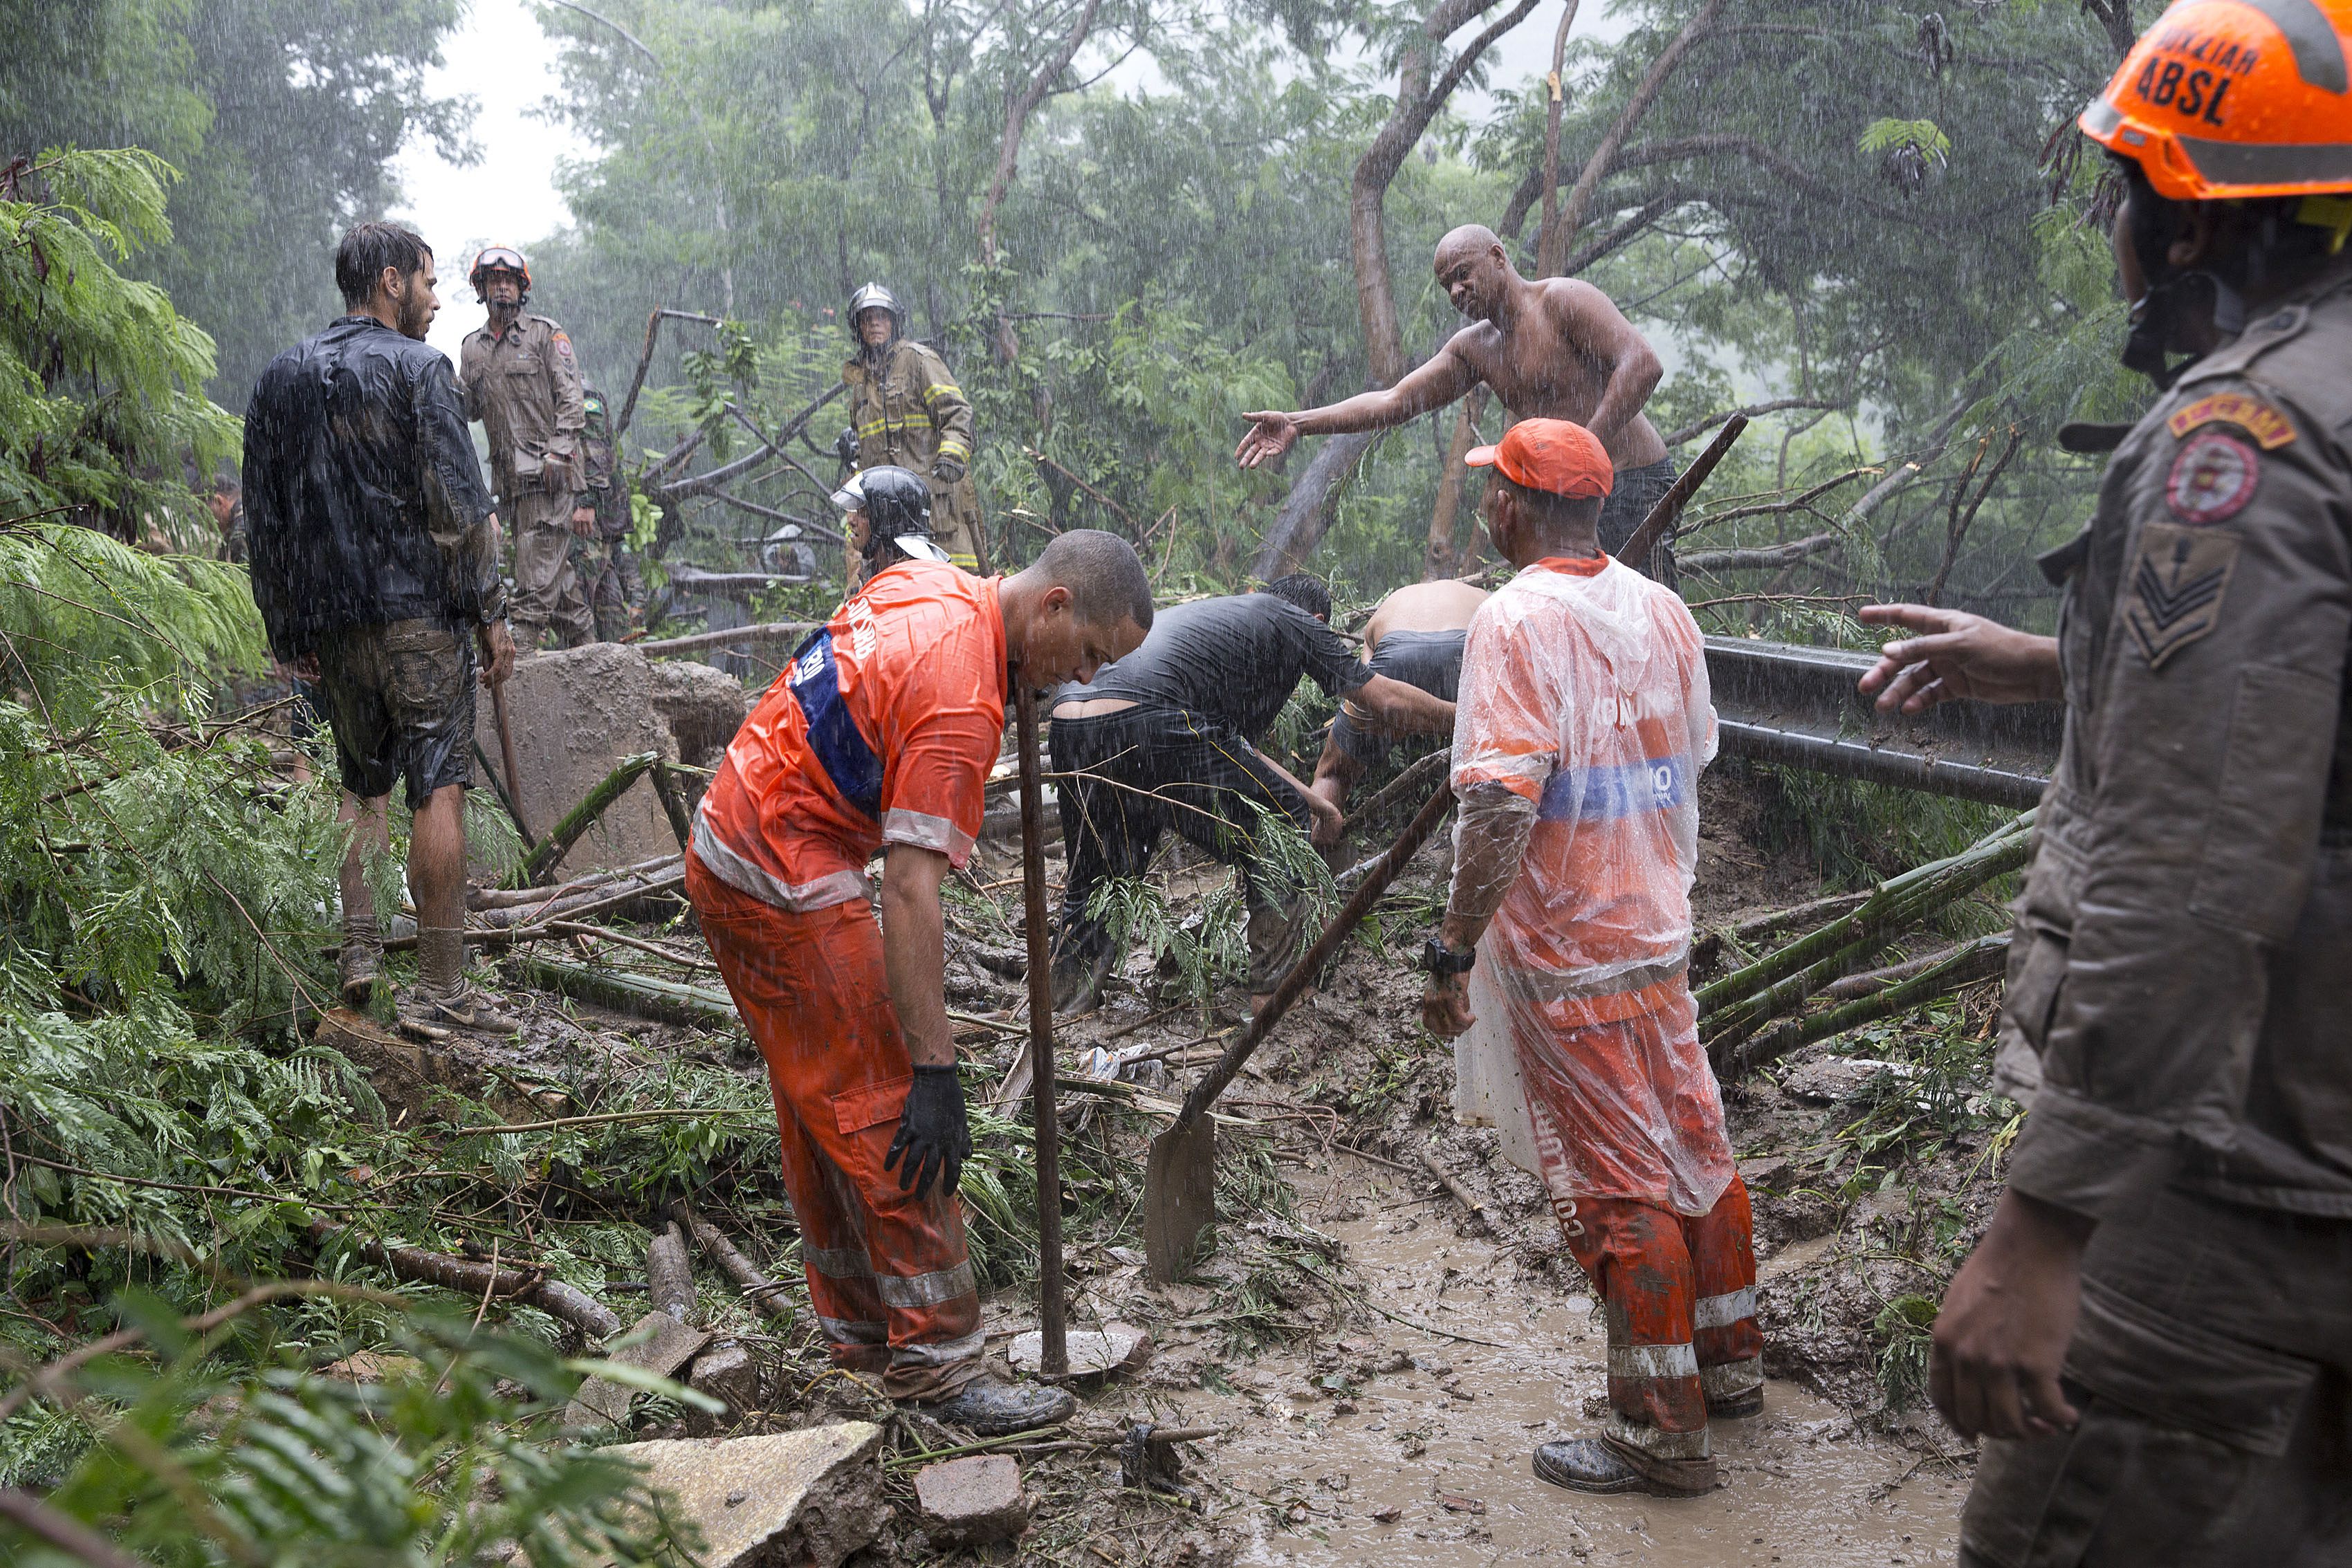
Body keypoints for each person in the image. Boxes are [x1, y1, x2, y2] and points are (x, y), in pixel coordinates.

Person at [1853, 5, 2352, 1558]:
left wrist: (2047, 1214)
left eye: (2127, 191)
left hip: (2231, 1187)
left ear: (2193, 213)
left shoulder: (2248, 439)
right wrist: (2059, 656)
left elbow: (2194, 860)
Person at [685, 528, 1152, 1433]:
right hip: (779, 866)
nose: (1088, 678)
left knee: (824, 1107)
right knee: (887, 1105)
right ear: (1053, 605)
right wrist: (935, 1072)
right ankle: (938, 1366)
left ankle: (860, 1343)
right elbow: (909, 887)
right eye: (1090, 654)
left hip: (735, 831)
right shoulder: (961, 700)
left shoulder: (931, 585)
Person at [1420, 418, 1756, 1498]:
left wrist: (1453, 945)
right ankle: (1729, 1364)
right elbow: (1690, 761)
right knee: (1695, 1142)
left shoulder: (1512, 620)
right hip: (1655, 927)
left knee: (1620, 1183)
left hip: (1567, 948)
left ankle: (1662, 1428)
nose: (1487, 507)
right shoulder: (1661, 609)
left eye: (1492, 489)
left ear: (1515, 504)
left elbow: (1501, 804)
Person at [243, 221, 519, 1033]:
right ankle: (441, 991)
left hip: (330, 624)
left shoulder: (278, 378)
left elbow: (267, 518)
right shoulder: (422, 369)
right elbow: (462, 510)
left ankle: (358, 949)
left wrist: (287, 625)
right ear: (392, 281)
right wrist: (490, 614)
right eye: (430, 283)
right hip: (417, 619)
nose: (437, 300)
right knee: (437, 784)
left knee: (360, 786)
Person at [1048, 575, 1455, 1011]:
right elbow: (1386, 701)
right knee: (1276, 828)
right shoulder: (1293, 619)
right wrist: (1471, 718)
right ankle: (1274, 992)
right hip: (1154, 718)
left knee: (1100, 875)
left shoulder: (1225, 624)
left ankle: (1065, 1004)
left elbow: (1242, 755)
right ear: (1317, 620)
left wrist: (1316, 801)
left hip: (1073, 719)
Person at [1235, 225, 1680, 579]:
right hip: (1564, 496)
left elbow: (1642, 364)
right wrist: (1297, 422)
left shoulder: (1562, 300)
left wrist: (1583, 451)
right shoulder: (1475, 348)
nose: (1456, 292)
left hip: (1631, 480)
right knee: (1580, 612)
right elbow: (1395, 400)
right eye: (1447, 284)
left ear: (1498, 257)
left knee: (1646, 611)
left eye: (1463, 274)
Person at [459, 244, 594, 650]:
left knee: (534, 583)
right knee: (559, 580)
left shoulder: (544, 334)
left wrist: (560, 450)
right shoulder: (472, 348)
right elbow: (468, 410)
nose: (502, 288)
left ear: (522, 288)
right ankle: (596, 656)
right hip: (511, 483)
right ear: (481, 288)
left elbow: (572, 399)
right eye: (493, 280)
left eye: (509, 281)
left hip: (549, 476)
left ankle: (523, 661)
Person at [1306, 578, 1490, 842]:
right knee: (1498, 755)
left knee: (1334, 772)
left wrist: (1394, 721)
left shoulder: (1390, 606)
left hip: (1397, 655)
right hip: (1463, 651)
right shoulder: (1480, 596)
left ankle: (1309, 864)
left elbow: (1367, 684)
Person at [840, 282, 986, 575]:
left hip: (935, 508)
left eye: (882, 316)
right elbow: (865, 455)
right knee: (896, 592)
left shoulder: (919, 361)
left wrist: (951, 457)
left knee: (952, 585)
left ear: (894, 322)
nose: (875, 324)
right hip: (886, 522)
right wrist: (852, 450)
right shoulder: (860, 387)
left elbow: (958, 412)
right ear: (859, 329)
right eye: (867, 319)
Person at [573, 385, 643, 642]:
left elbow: (597, 452)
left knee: (589, 597)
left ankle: (611, 657)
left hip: (596, 520)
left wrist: (588, 502)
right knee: (602, 596)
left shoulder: (583, 395)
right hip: (599, 523)